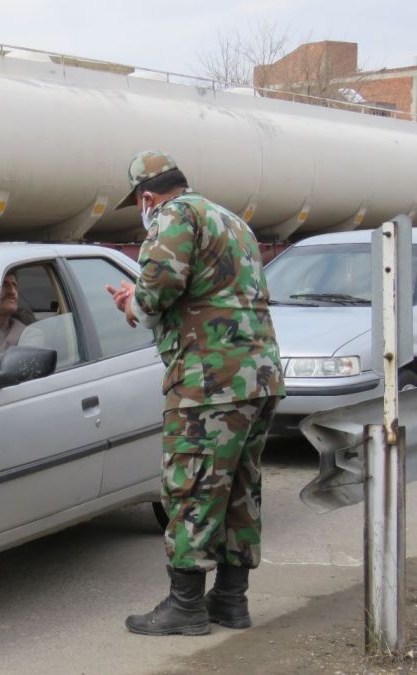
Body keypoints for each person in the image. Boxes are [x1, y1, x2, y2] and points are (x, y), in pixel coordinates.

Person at [107, 150, 284, 636]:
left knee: (192, 487)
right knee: (238, 490)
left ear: (147, 197)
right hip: (258, 375)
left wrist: (133, 307)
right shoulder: (232, 221)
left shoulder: (174, 215)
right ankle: (230, 600)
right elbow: (214, 289)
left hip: (211, 380)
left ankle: (185, 606)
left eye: (140, 205)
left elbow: (161, 284)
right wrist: (144, 299)